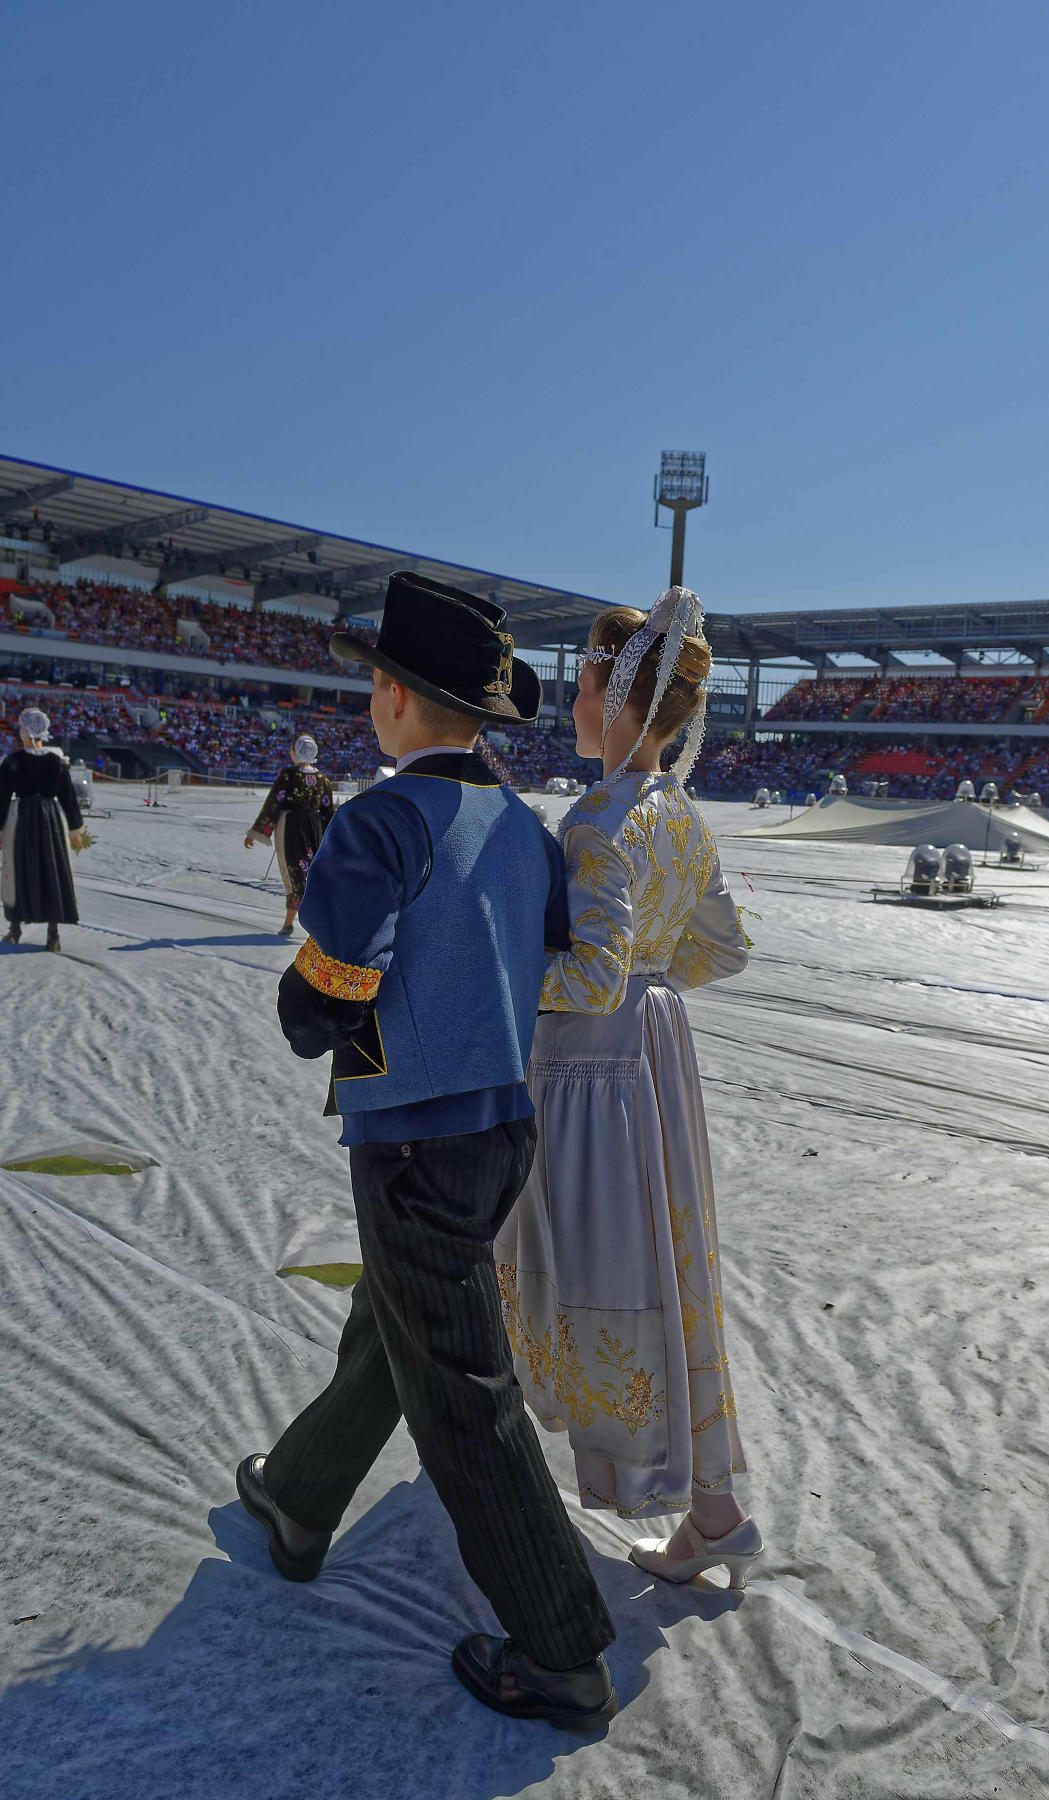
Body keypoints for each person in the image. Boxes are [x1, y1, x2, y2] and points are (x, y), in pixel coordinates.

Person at [235, 572, 617, 1731]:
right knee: (397, 1322)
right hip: (502, 1126)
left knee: (462, 1392)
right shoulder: (524, 828)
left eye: (374, 686)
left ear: (397, 698)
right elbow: (544, 952)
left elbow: (336, 982)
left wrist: (306, 1014)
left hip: (414, 1139)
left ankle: (559, 1647)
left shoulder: (382, 818)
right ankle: (298, 1497)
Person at [494, 587, 763, 1590]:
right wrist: (657, 983)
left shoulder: (597, 820)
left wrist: (502, 968)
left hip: (590, 1073)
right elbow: (725, 949)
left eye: (582, 685)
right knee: (669, 1265)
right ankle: (712, 1508)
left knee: (584, 1267)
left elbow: (591, 975)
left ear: (614, 700)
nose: (571, 701)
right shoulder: (682, 816)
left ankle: (514, 1458)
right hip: (656, 1057)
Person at [1, 708, 85, 952]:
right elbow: (69, 798)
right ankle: (53, 934)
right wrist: (75, 828)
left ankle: (15, 928)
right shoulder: (56, 762)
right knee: (52, 870)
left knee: (18, 870)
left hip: (22, 820)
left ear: (25, 731)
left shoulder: (13, 762)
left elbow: (2, 798)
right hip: (50, 821)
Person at [244, 733, 335, 936]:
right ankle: (315, 923)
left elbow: (273, 805)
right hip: (314, 828)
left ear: (295, 752)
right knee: (311, 873)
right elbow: (328, 811)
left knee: (294, 872)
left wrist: (256, 833)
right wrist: (330, 838)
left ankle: (289, 923)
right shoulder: (323, 779)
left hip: (292, 828)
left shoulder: (288, 776)